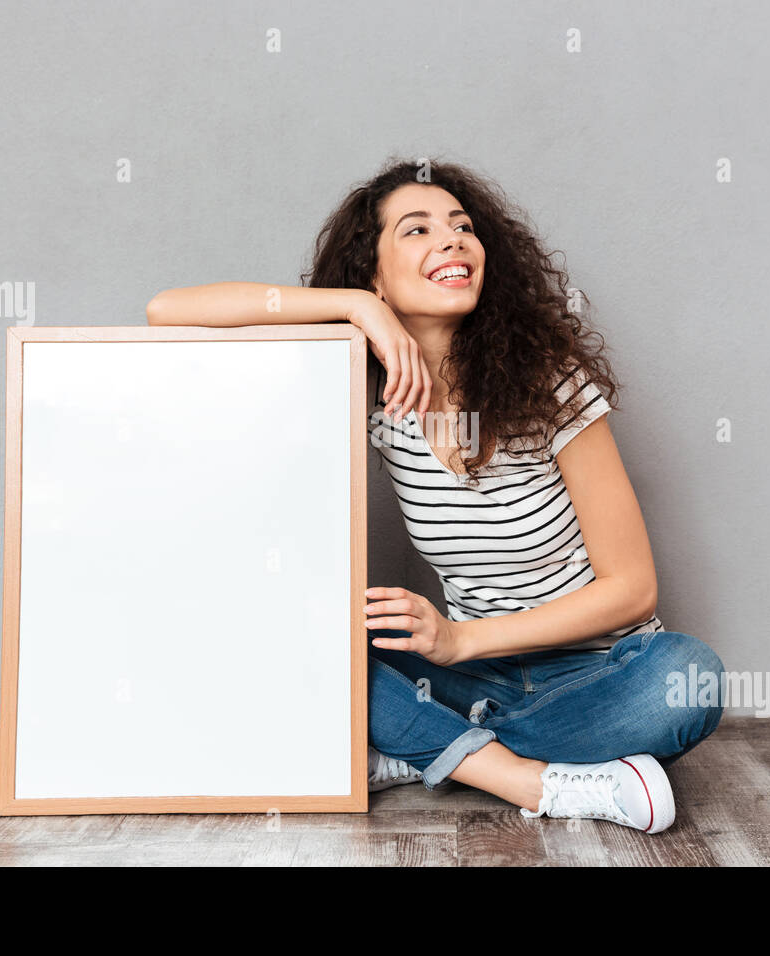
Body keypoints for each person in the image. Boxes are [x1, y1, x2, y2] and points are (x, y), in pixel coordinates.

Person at [147, 157, 725, 832]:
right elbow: (170, 310)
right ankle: (530, 780)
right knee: (294, 626)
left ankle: (430, 748)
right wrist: (354, 307)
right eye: (417, 231)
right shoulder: (370, 387)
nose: (452, 240)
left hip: (592, 674)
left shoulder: (549, 383)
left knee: (692, 678)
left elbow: (631, 589)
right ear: (375, 271)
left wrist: (458, 640)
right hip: (468, 676)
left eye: (462, 227)